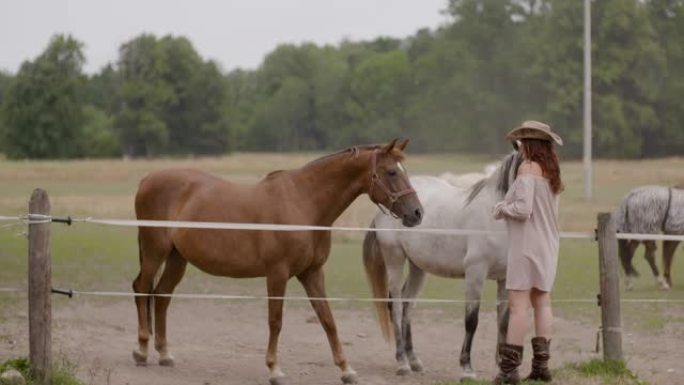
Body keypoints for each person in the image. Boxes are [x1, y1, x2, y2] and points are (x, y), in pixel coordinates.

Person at [491, 120, 563, 385]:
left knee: (518, 305)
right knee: (542, 301)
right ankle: (541, 367)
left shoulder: (527, 168)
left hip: (526, 245)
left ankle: (509, 371)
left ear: (526, 143)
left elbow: (523, 209)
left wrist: (500, 208)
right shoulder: (551, 170)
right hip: (548, 243)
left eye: (520, 143)